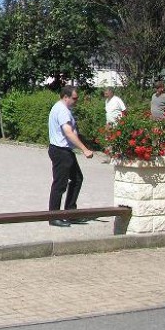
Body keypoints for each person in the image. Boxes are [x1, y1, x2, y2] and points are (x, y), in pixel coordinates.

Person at [47, 86, 94, 227]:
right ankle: (54, 216)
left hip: (64, 150)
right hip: (61, 151)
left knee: (77, 179)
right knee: (60, 184)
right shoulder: (62, 110)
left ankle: (70, 213)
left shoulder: (62, 108)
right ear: (65, 97)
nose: (76, 101)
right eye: (74, 98)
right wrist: (84, 149)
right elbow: (68, 132)